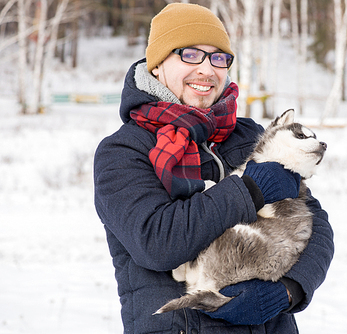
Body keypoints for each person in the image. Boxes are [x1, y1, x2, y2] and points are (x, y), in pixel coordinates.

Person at [93, 3, 334, 334]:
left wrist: (289, 289)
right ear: (158, 64)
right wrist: (249, 190)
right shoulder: (124, 151)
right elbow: (156, 243)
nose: (207, 69)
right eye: (190, 54)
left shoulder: (249, 135)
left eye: (218, 57)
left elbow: (315, 224)